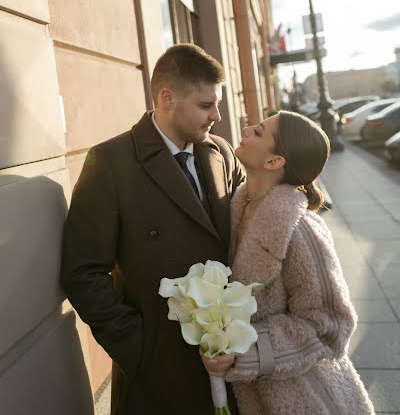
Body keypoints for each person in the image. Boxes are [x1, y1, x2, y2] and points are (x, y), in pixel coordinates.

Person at [60, 44, 245, 415]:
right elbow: (82, 272)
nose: (217, 116)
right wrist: (140, 350)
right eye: (206, 105)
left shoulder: (220, 153)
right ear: (167, 98)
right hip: (159, 377)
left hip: (229, 365)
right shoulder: (110, 163)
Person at [201, 110, 375, 414]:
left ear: (273, 161)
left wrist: (247, 351)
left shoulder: (300, 228)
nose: (245, 129)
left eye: (258, 132)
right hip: (254, 396)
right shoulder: (236, 210)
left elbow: (331, 324)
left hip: (305, 398)